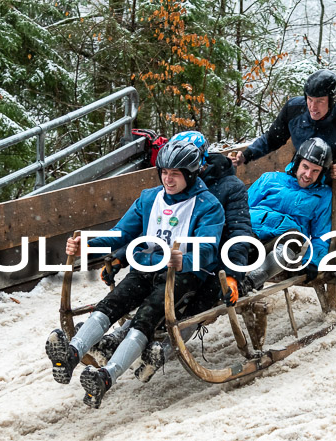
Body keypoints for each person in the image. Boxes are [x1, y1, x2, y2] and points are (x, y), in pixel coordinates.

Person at [45, 140, 224, 409]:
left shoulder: (208, 206)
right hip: (145, 267)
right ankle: (72, 353)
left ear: (189, 175)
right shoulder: (149, 198)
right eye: (164, 172)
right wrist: (88, 246)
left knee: (145, 318)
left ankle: (107, 377)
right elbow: (121, 233)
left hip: (182, 275)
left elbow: (208, 249)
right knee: (112, 304)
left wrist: (184, 259)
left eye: (174, 174)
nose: (168, 179)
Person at [89, 130, 253, 383]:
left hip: (212, 261)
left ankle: (162, 350)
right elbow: (151, 231)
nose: (172, 173)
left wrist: (233, 274)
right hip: (170, 259)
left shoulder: (228, 188)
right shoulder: (168, 187)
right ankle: (118, 338)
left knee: (195, 300)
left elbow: (240, 233)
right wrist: (122, 256)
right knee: (146, 288)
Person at [229, 69, 336, 302]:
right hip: (301, 169)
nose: (313, 106)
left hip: (332, 181)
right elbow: (272, 139)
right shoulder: (294, 109)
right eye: (310, 100)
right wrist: (246, 155)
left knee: (332, 232)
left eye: (320, 101)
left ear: (332, 101)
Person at [241, 137, 333, 293]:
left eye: (315, 170)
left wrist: (313, 260)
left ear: (322, 172)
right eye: (305, 167)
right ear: (297, 163)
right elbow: (242, 209)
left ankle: (250, 282)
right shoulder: (270, 179)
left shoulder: (322, 195)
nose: (308, 174)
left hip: (285, 237)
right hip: (253, 230)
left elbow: (321, 234)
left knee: (293, 242)